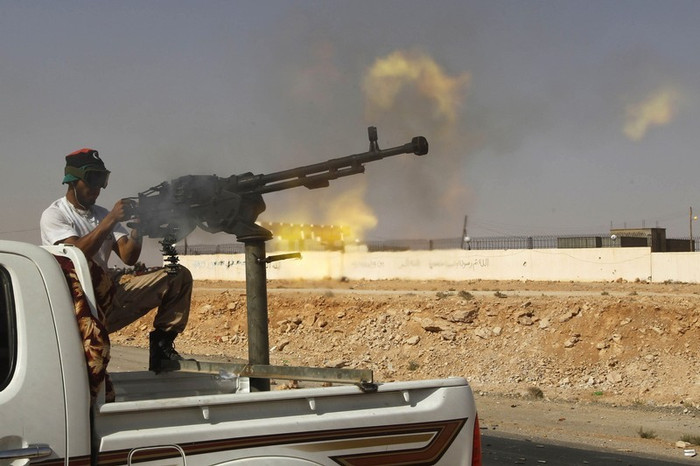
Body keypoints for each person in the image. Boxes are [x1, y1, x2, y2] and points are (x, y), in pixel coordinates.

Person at [40, 148, 192, 373]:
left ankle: (162, 346)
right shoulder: (55, 215)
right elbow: (75, 255)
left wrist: (138, 228)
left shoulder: (101, 214)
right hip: (76, 304)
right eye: (92, 180)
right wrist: (110, 220)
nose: (97, 188)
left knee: (177, 276)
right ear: (72, 181)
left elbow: (129, 256)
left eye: (102, 180)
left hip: (108, 296)